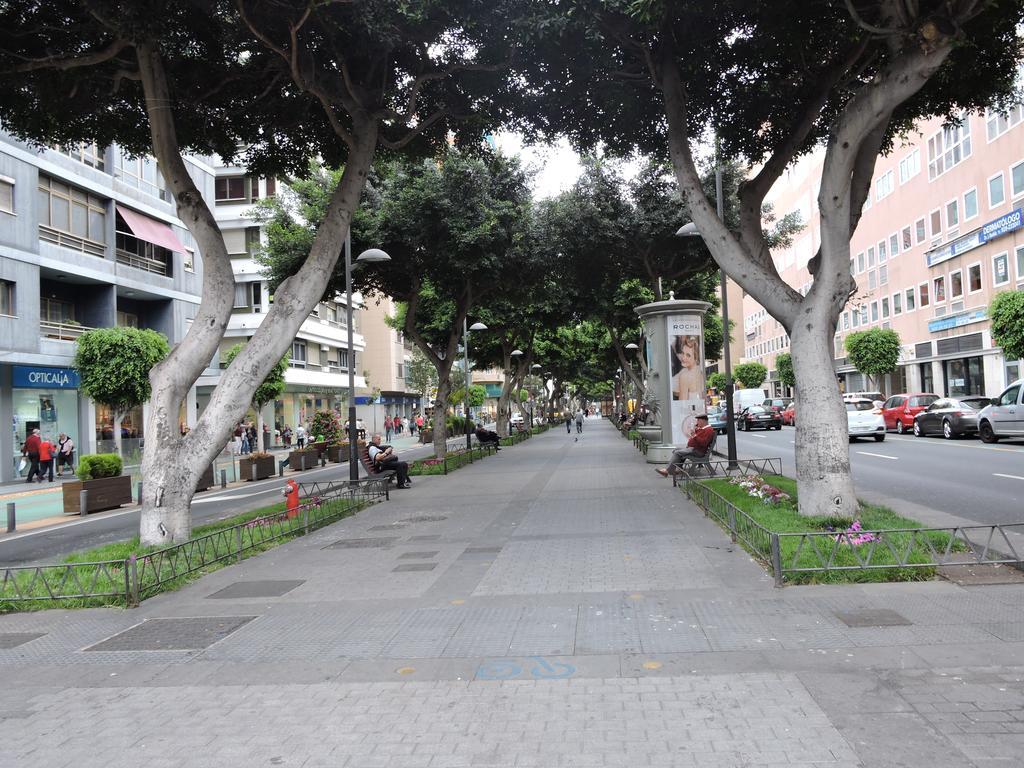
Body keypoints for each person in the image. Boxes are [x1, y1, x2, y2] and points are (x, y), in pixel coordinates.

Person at [672, 334, 703, 402]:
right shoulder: (700, 373)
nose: (683, 358)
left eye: (688, 355)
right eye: (683, 353)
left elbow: (683, 404)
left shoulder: (684, 376)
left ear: (696, 358)